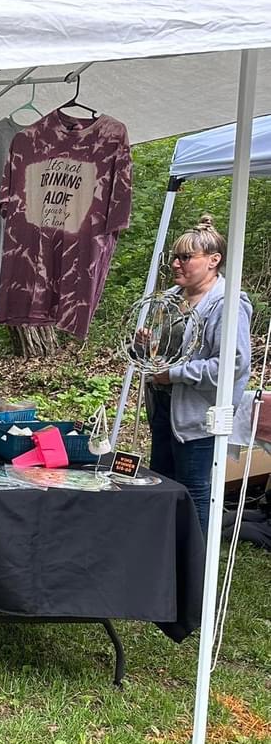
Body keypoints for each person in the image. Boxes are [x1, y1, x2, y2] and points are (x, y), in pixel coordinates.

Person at [147, 215, 253, 533]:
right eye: (175, 257)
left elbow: (232, 365)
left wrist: (175, 374)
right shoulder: (171, 299)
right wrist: (147, 345)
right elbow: (164, 351)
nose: (176, 264)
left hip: (198, 417)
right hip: (163, 407)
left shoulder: (228, 304)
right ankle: (165, 553)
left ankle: (196, 558)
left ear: (213, 260)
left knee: (193, 491)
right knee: (162, 483)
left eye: (185, 257)